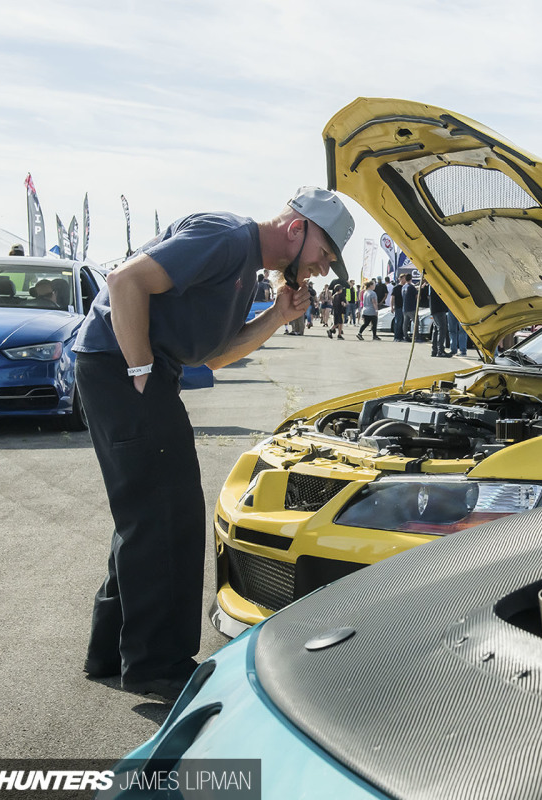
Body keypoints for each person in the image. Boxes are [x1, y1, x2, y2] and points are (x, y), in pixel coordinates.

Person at [71, 186, 352, 701]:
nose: (322, 267)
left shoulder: (247, 266)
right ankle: (159, 665)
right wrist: (139, 371)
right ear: (297, 229)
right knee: (167, 514)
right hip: (123, 369)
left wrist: (276, 318)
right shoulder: (225, 236)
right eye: (324, 253)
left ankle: (110, 648)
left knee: (147, 509)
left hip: (135, 370)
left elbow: (214, 357)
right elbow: (124, 280)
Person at [426, 282, 450, 357]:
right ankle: (440, 351)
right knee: (441, 329)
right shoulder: (437, 285)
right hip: (439, 309)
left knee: (436, 330)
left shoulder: (432, 285)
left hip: (435, 309)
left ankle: (435, 350)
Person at [402, 271, 419, 341]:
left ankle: (405, 336)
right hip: (412, 307)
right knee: (416, 322)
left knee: (405, 323)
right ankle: (416, 336)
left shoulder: (403, 287)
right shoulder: (412, 287)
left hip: (405, 307)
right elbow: (417, 297)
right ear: (411, 278)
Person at [391, 273, 407, 341]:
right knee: (398, 322)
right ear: (400, 279)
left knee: (404, 322)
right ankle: (397, 337)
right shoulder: (396, 288)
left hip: (405, 307)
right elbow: (392, 298)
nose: (404, 280)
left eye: (405, 278)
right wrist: (392, 307)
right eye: (403, 278)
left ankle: (402, 336)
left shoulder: (407, 287)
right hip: (398, 307)